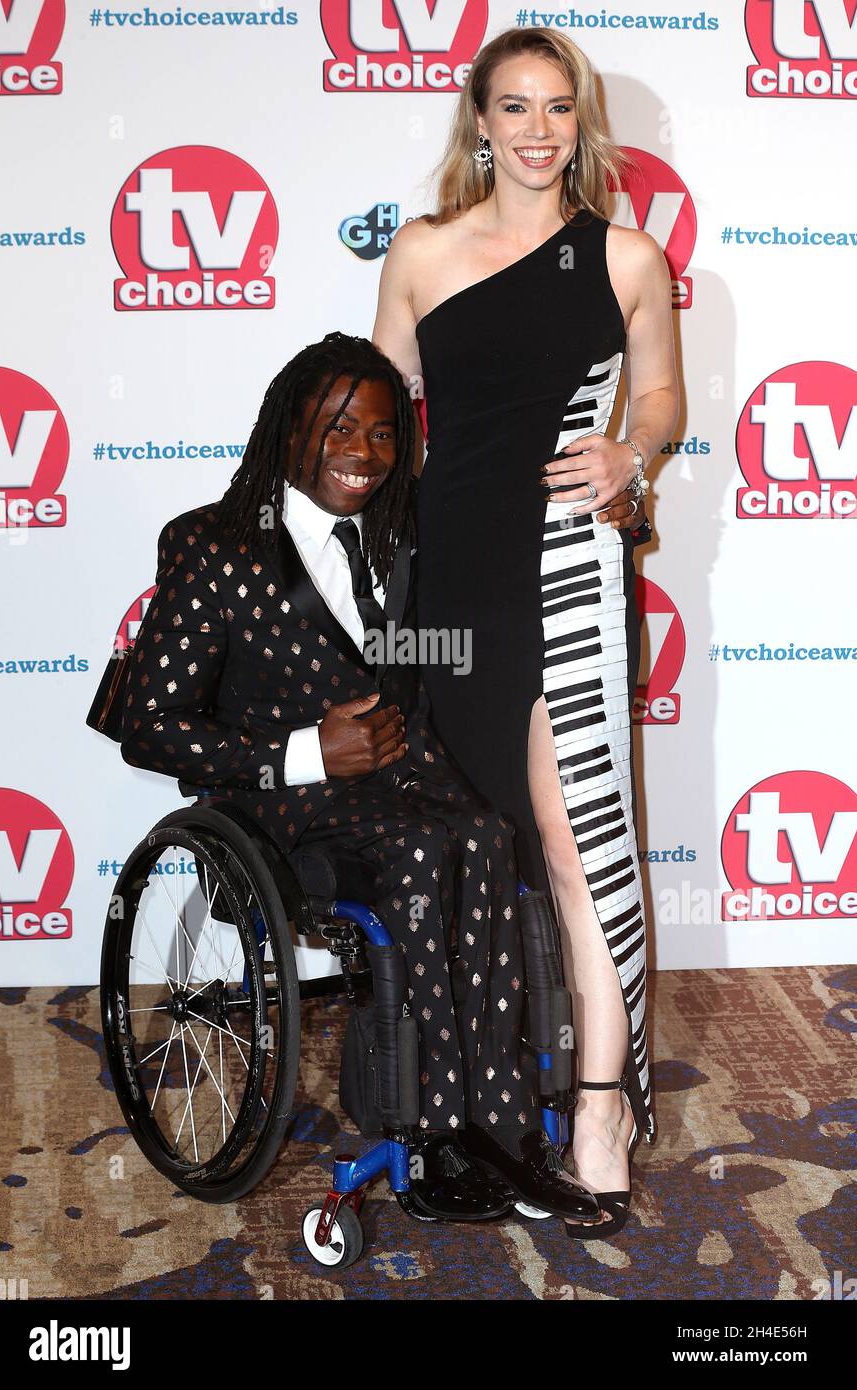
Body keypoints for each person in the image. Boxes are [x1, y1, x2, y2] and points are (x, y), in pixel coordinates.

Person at [118, 330, 608, 1226]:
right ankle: (431, 1136)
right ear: (286, 428)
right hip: (282, 805)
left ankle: (501, 1124)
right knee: (428, 848)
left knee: (490, 833)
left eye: (383, 434)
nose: (362, 454)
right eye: (337, 428)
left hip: (406, 781)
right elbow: (148, 727)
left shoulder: (402, 529)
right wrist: (306, 751)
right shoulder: (214, 546)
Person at [372, 27, 679, 1237]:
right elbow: (377, 419)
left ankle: (597, 1108)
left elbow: (656, 393)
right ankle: (468, 1096)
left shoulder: (624, 255)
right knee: (459, 838)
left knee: (572, 839)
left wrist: (630, 451)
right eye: (515, 107)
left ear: (579, 119)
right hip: (446, 578)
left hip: (562, 570)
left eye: (559, 107)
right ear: (480, 120)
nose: (539, 129)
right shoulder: (419, 253)